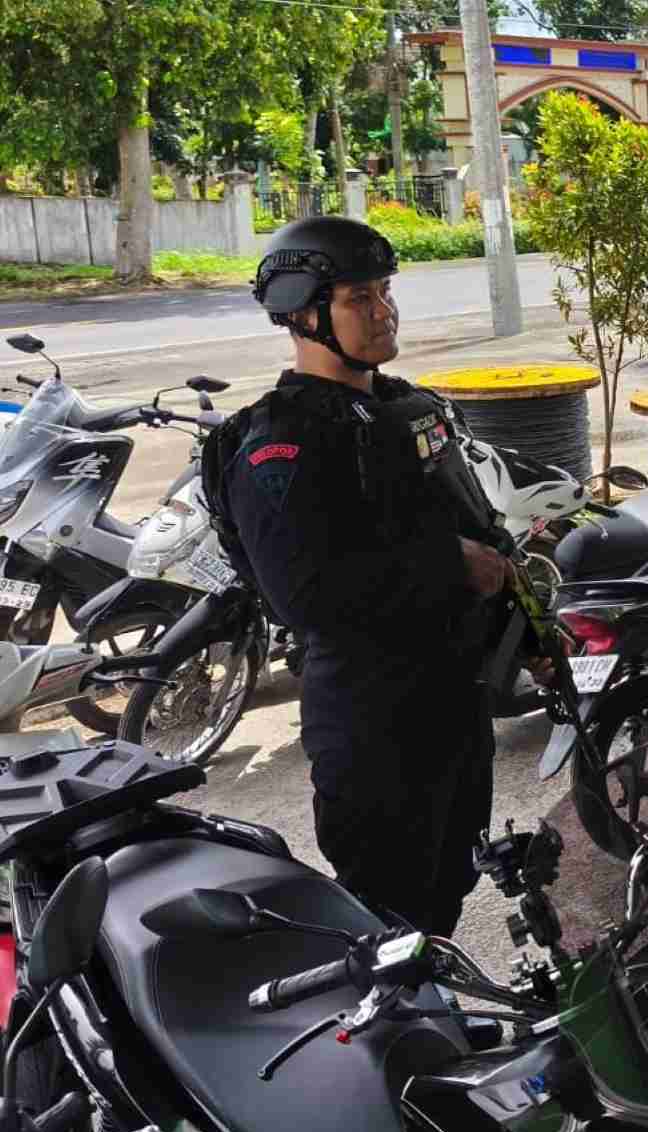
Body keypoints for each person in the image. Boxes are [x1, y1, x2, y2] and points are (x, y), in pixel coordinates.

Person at [217, 215, 510, 938]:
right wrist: (449, 564)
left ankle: (433, 1023)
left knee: (445, 887)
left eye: (383, 292)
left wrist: (522, 624)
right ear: (303, 313)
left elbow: (469, 522)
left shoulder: (404, 408)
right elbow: (304, 597)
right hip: (375, 727)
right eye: (358, 299)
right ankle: (399, 1043)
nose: (383, 312)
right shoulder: (282, 442)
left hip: (451, 701)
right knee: (388, 910)